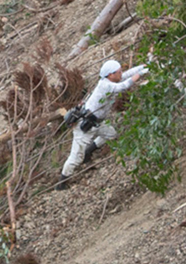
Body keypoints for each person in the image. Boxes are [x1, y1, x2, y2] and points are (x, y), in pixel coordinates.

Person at [59, 58, 148, 186]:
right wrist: (141, 73)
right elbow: (124, 85)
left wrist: (142, 66)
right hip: (86, 125)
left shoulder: (110, 80)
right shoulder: (106, 85)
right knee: (75, 158)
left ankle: (89, 151)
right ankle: (62, 181)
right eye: (118, 72)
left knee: (111, 134)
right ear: (110, 74)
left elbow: (127, 74)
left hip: (98, 122)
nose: (121, 73)